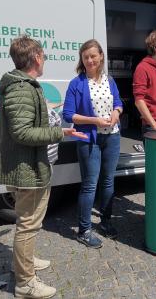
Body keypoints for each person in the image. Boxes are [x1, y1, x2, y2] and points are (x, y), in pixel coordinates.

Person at [0, 35, 86, 298]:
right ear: (36, 58)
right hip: (26, 169)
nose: (45, 60)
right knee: (28, 225)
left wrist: (49, 110)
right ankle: (25, 284)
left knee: (28, 222)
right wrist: (60, 133)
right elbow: (22, 132)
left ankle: (25, 263)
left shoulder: (25, 86)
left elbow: (27, 117)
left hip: (29, 166)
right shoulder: (21, 88)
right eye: (43, 55)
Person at [62, 39, 123, 248]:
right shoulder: (77, 84)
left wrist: (116, 112)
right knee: (90, 185)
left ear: (101, 57)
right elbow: (69, 114)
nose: (89, 60)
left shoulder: (110, 80)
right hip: (90, 140)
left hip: (112, 137)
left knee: (108, 182)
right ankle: (84, 230)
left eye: (93, 56)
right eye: (85, 57)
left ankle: (105, 222)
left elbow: (119, 103)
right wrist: (94, 121)